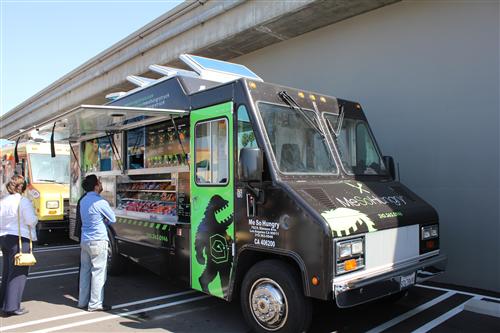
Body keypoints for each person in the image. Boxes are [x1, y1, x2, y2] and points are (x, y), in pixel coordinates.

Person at [0, 175, 38, 316]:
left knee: (7, 271)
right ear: (22, 187)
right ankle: (11, 306)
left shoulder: (3, 201)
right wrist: (36, 218)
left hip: (4, 237)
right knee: (18, 273)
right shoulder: (23, 201)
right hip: (20, 239)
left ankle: (3, 300)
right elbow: (30, 220)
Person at [77, 174, 116, 312]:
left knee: (85, 272)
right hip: (98, 240)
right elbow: (112, 219)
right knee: (98, 273)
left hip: (85, 240)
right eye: (99, 182)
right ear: (96, 186)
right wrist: (103, 221)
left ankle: (82, 301)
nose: (101, 185)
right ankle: (95, 304)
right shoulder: (100, 202)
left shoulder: (83, 200)